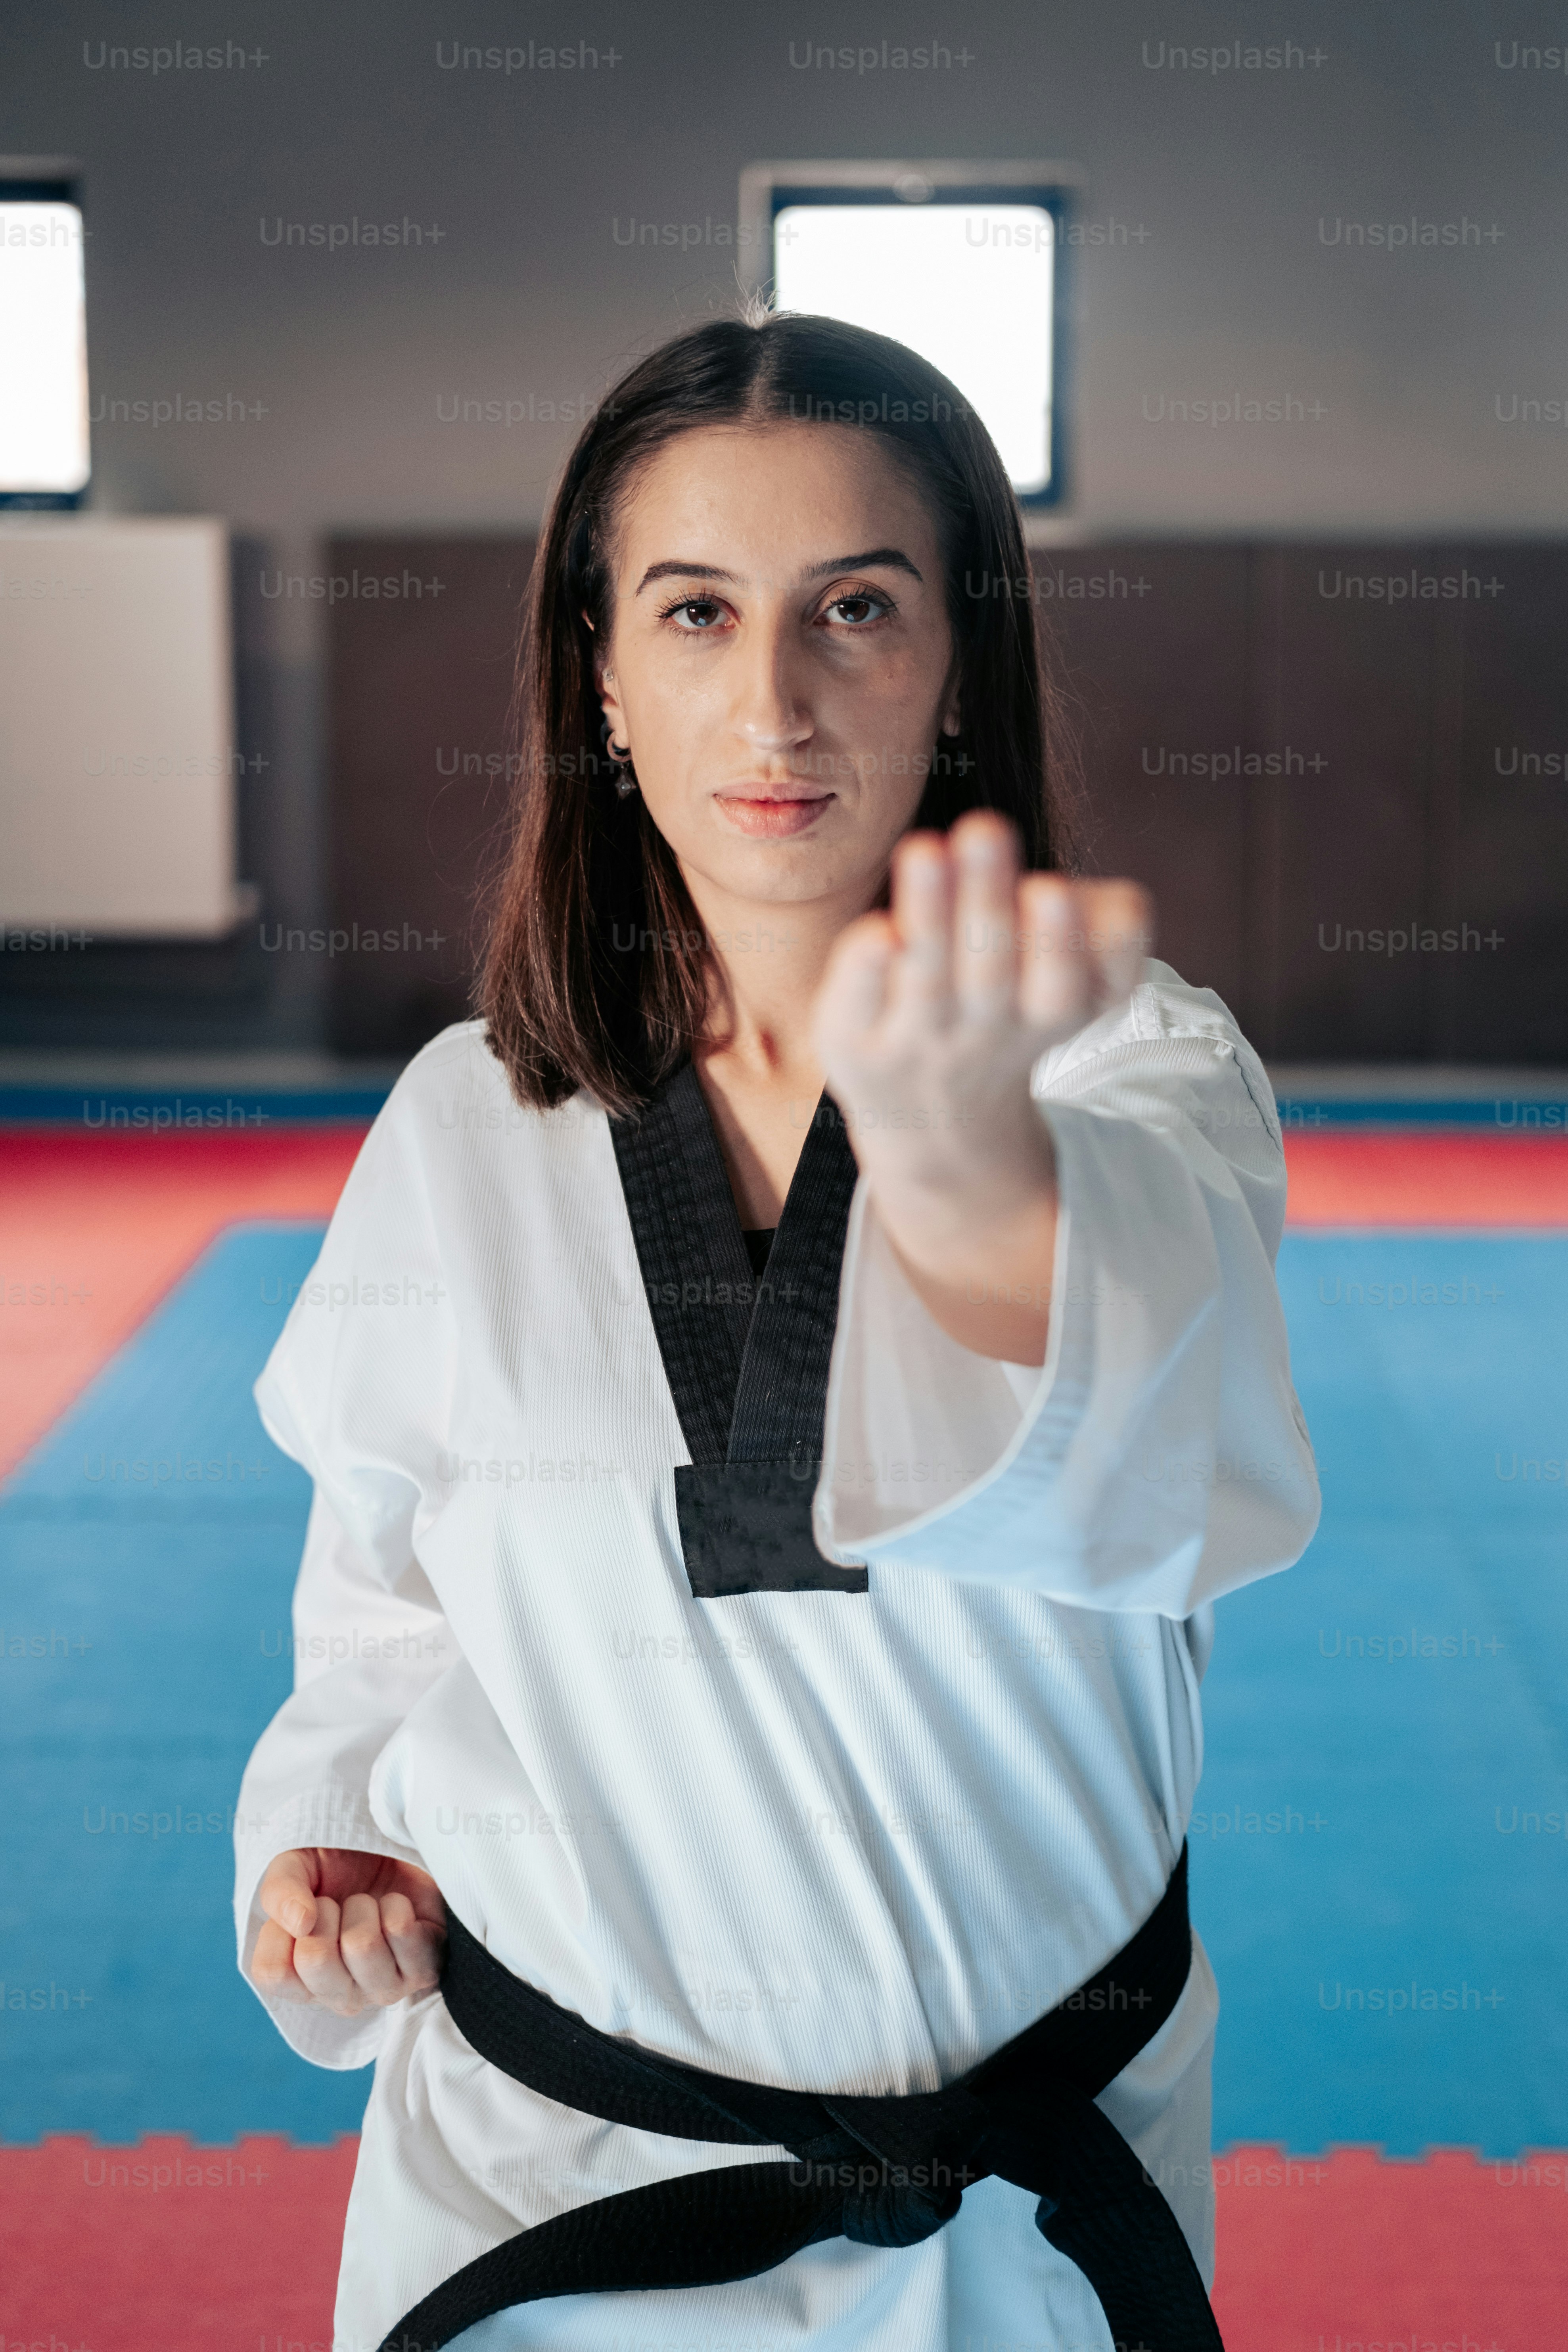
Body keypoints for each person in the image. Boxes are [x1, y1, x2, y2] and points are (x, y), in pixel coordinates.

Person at [234, 310, 1320, 2352]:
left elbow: (1158, 1436)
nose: (775, 699)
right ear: (604, 679)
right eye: (696, 610)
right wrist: (338, 1834)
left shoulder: (1126, 1069)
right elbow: (381, 1607)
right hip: (559, 2192)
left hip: (1021, 2222)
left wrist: (965, 1154)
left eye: (855, 609)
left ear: (955, 671)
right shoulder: (469, 1119)